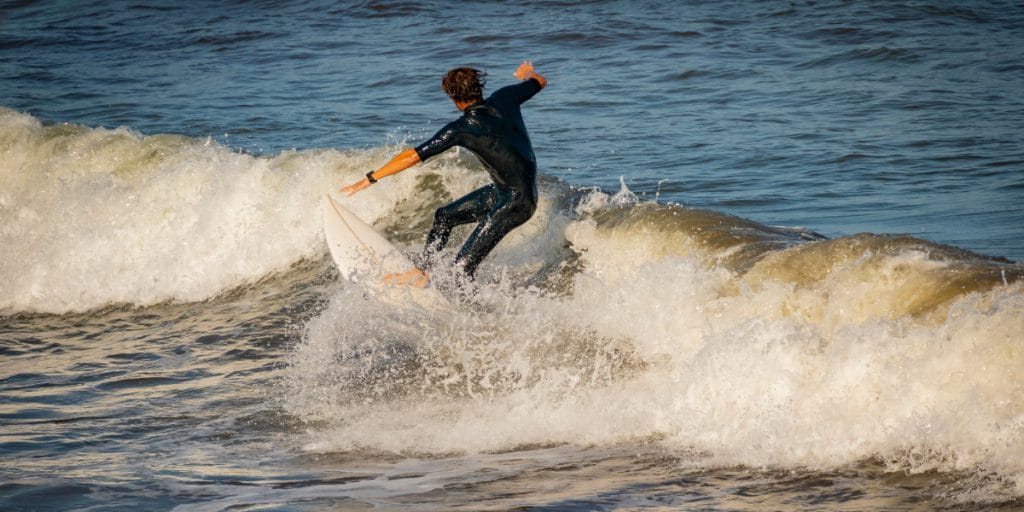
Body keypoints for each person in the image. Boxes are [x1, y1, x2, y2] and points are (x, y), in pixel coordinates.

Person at [341, 60, 547, 288]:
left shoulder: (461, 128)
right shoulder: (505, 97)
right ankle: (422, 272)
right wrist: (527, 72)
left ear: (454, 99)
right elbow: (539, 81)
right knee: (444, 216)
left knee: (461, 269)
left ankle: (474, 316)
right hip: (505, 193)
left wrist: (368, 179)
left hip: (516, 203)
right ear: (478, 88)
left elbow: (412, 156)